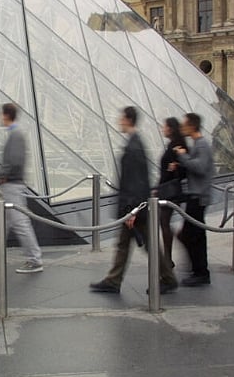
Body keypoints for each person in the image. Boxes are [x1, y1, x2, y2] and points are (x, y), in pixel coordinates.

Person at [90, 107, 178, 294]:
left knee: (150, 245)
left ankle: (168, 278)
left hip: (134, 208)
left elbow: (136, 182)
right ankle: (113, 280)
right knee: (124, 244)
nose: (119, 122)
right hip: (133, 206)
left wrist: (133, 210)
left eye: (121, 118)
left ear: (128, 120)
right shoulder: (135, 143)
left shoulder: (134, 147)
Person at [0, 103, 43, 273]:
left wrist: (2, 176)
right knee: (2, 223)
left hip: (12, 185)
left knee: (20, 223)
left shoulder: (15, 135)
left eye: (1, 114)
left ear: (5, 115)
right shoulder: (15, 134)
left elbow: (14, 160)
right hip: (11, 184)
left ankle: (35, 259)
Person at [175, 113, 215, 286]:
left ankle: (201, 272)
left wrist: (182, 156)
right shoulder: (198, 144)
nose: (182, 128)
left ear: (192, 126)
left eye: (184, 125)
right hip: (195, 195)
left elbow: (199, 167)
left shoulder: (202, 145)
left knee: (194, 235)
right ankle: (197, 269)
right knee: (192, 234)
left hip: (198, 197)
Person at [155, 117, 187, 268]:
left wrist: (175, 168)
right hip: (167, 189)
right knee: (164, 223)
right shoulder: (173, 144)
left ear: (171, 128)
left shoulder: (177, 146)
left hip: (170, 191)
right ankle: (168, 258)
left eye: (165, 126)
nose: (163, 129)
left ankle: (168, 258)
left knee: (164, 223)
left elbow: (184, 168)